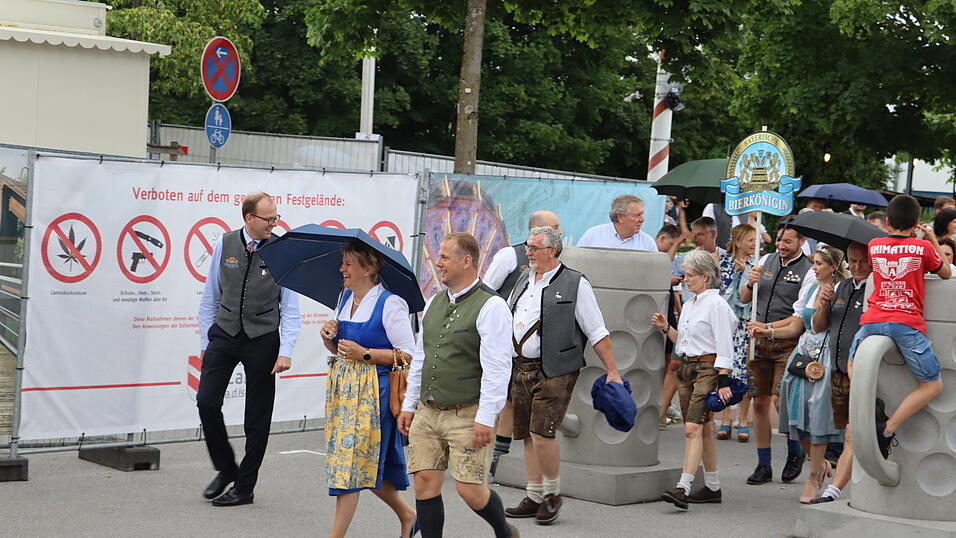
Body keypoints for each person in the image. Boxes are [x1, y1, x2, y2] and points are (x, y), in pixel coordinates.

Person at [398, 233, 518, 538]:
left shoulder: (491, 306)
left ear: (467, 261)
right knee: (424, 481)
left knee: (470, 490)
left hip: (468, 411)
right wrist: (410, 405)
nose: (438, 263)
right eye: (439, 256)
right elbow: (422, 357)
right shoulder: (435, 302)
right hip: (428, 409)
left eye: (445, 257)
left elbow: (498, 368)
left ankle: (505, 531)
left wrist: (486, 417)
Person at [503, 226, 623, 525]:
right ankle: (534, 493)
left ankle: (552, 495)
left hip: (556, 368)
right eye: (527, 246)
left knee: (542, 433)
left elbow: (597, 330)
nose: (527, 252)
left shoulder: (575, 283)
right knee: (527, 435)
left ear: (552, 250)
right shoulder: (522, 279)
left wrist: (613, 370)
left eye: (534, 248)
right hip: (520, 366)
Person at [196, 192, 301, 506]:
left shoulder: (283, 251)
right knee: (206, 402)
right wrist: (206, 342)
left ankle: (245, 487)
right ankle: (227, 467)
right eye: (268, 219)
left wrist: (286, 351)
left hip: (262, 338)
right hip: (225, 333)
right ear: (249, 218)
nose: (274, 224)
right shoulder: (224, 244)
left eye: (275, 218)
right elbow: (210, 297)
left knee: (257, 417)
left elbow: (291, 308)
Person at [319, 242, 418, 538]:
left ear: (369, 268)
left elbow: (409, 354)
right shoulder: (344, 298)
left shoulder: (390, 304)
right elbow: (340, 350)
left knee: (348, 466)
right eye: (343, 263)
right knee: (361, 465)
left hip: (375, 392)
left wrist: (366, 353)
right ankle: (408, 515)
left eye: (348, 264)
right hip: (345, 392)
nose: (342, 269)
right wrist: (328, 338)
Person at [848, 194, 950, 459]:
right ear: (916, 222)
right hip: (906, 323)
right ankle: (888, 429)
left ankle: (873, 408)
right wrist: (931, 239)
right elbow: (946, 272)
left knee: (852, 367)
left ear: (888, 221)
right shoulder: (922, 248)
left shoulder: (875, 245)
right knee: (933, 385)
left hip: (872, 321)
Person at [750, 244, 847, 503]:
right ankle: (822, 462)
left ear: (833, 266)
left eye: (819, 264)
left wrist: (826, 305)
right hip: (803, 353)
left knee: (816, 417)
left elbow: (828, 325)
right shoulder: (812, 287)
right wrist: (767, 331)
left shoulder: (842, 290)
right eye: (813, 263)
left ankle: (813, 477)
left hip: (825, 356)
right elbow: (795, 326)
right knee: (790, 411)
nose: (813, 268)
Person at [651, 248, 737, 509]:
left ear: (706, 277)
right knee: (703, 428)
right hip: (687, 368)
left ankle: (683, 487)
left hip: (708, 369)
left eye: (691, 275)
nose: (686, 279)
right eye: (686, 274)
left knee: (692, 429)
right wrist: (667, 328)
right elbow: (684, 343)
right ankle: (712, 486)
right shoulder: (689, 304)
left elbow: (725, 345)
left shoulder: (717, 305)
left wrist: (723, 379)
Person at [483, 210, 561, 475]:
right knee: (506, 400)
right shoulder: (509, 255)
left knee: (516, 402)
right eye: (555, 227)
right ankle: (495, 456)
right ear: (536, 232)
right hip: (507, 341)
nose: (560, 231)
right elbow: (486, 289)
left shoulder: (555, 263)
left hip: (539, 348)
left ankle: (504, 456)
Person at [739, 221, 815, 485]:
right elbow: (745, 298)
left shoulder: (809, 271)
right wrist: (750, 283)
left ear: (802, 241)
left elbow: (799, 317)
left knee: (781, 401)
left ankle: (795, 452)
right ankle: (763, 463)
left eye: (788, 242)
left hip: (787, 342)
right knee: (758, 402)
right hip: (757, 341)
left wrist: (768, 328)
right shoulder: (767, 259)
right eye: (780, 241)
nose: (781, 246)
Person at [807, 241, 871, 504]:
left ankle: (834, 491)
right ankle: (851, 484)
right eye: (852, 261)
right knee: (845, 430)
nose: (856, 267)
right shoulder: (842, 286)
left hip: (861, 372)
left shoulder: (875, 289)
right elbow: (819, 327)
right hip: (837, 370)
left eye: (862, 262)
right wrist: (823, 304)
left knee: (852, 434)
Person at [716, 224, 756, 442]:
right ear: (738, 242)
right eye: (750, 240)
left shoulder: (756, 264)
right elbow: (722, 295)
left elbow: (747, 299)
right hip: (726, 323)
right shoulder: (723, 263)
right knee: (725, 368)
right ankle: (725, 418)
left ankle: (743, 420)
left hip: (745, 323)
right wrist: (737, 276)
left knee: (744, 369)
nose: (754, 244)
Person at [577, 194, 658, 251]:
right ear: (620, 217)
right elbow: (576, 264)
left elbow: (655, 272)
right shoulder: (593, 235)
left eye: (642, 214)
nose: (642, 219)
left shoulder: (647, 243)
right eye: (637, 215)